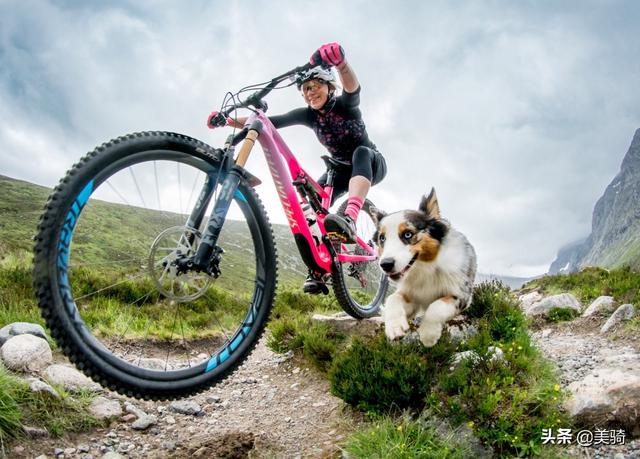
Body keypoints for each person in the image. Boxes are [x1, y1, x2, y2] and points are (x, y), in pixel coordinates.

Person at [207, 42, 386, 294]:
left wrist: (341, 63)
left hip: (369, 163)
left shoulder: (345, 106)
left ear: (328, 86)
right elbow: (271, 122)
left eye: (314, 86)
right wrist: (226, 121)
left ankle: (350, 218)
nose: (309, 93)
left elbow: (352, 88)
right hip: (338, 170)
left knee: (361, 152)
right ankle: (318, 268)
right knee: (310, 209)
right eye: (304, 90)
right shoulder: (309, 115)